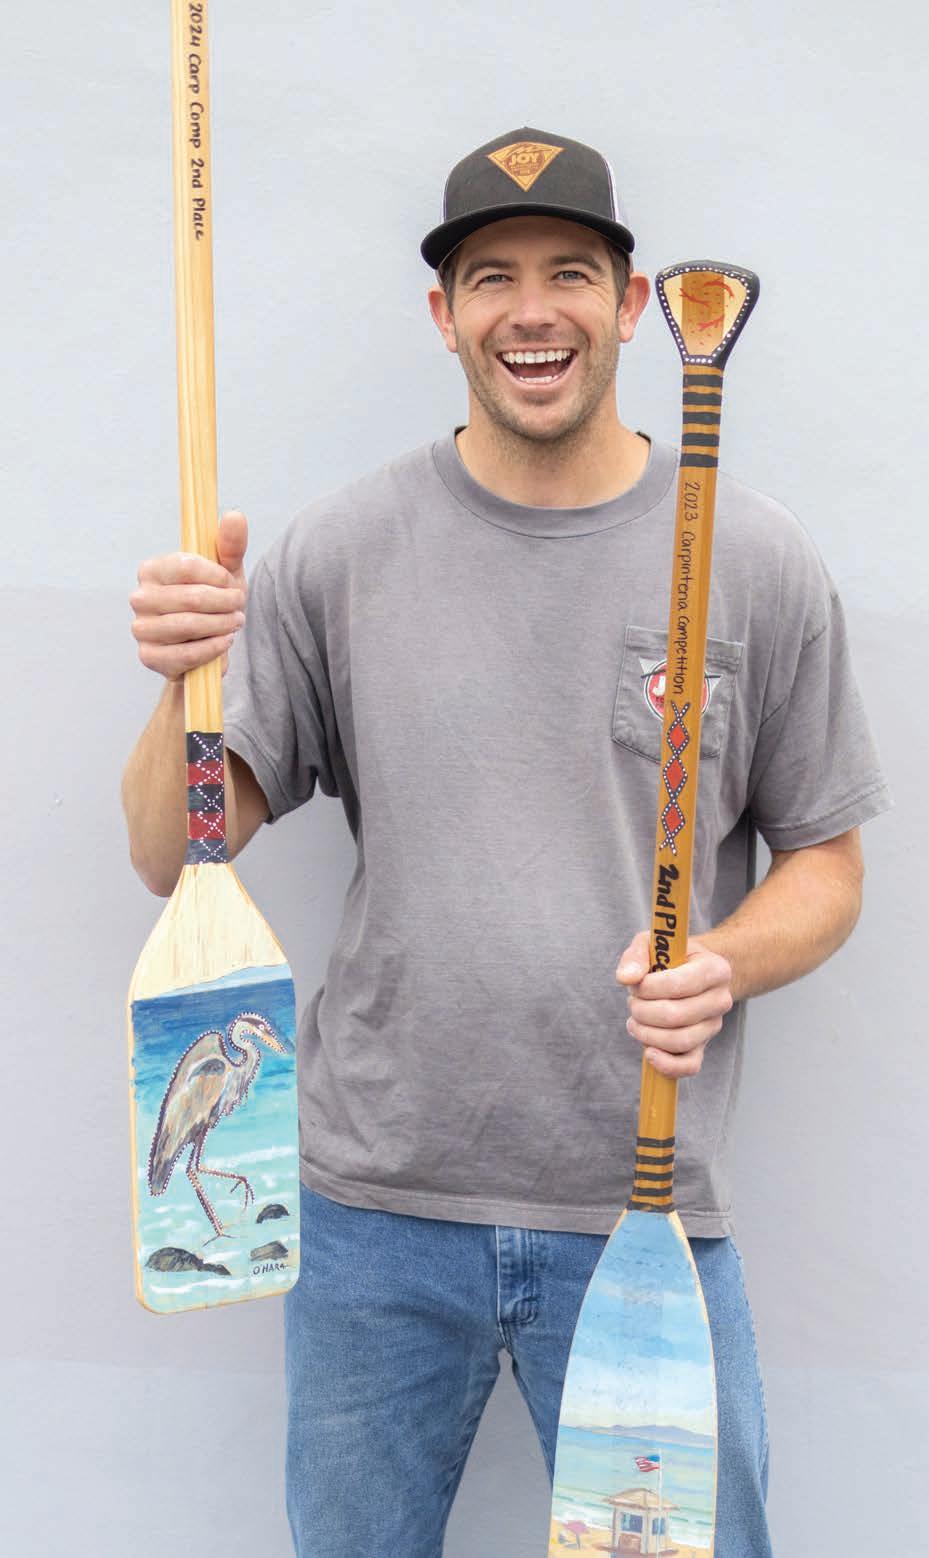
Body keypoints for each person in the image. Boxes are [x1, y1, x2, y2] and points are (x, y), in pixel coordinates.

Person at [123, 128, 890, 1557]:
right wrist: (185, 683)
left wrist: (724, 961)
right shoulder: (340, 552)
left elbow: (828, 863)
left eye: (568, 273)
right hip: (373, 1216)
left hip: (642, 1202)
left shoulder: (749, 556)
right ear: (444, 314)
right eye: (491, 277)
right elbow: (181, 854)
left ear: (632, 301)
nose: (530, 311)